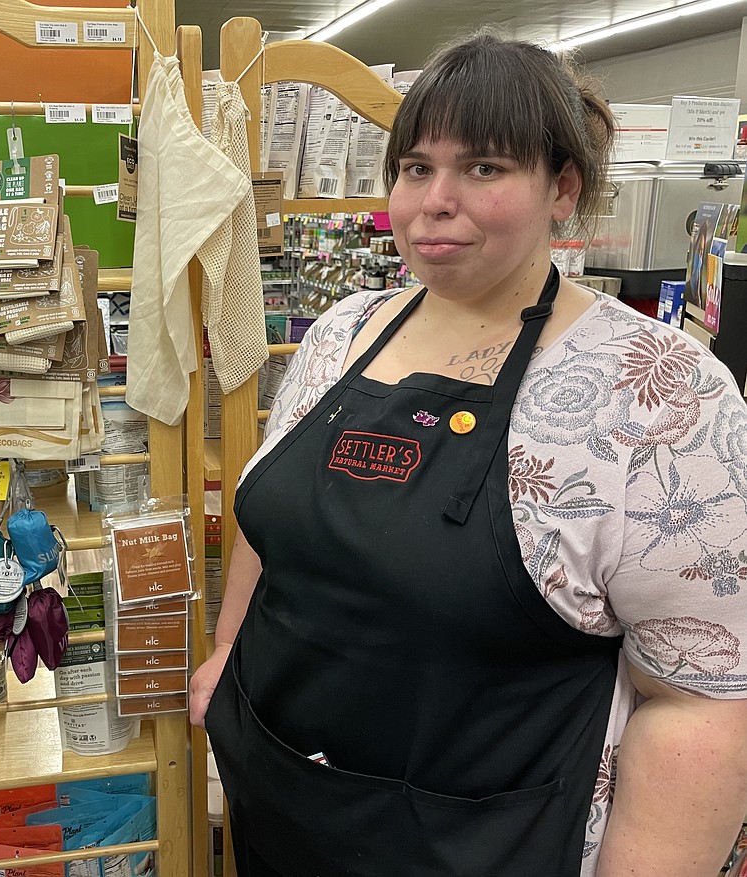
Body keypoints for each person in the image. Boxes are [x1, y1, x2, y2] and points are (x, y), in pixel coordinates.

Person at [191, 32, 747, 877]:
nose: (434, 201)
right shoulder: (343, 332)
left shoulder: (661, 396)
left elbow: (702, 704)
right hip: (283, 802)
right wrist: (229, 654)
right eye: (416, 167)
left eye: (483, 168)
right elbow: (271, 520)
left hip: (482, 843)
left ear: (562, 187)